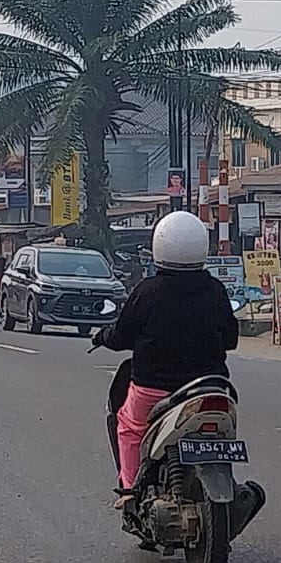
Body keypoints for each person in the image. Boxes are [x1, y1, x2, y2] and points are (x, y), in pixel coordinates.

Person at [91, 211, 238, 500]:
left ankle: (131, 492)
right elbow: (231, 340)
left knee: (130, 428)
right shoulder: (215, 291)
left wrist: (103, 336)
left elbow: (122, 336)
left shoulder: (148, 292)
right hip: (210, 386)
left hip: (154, 390)